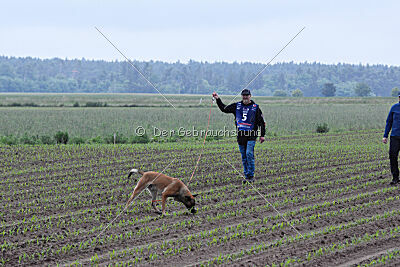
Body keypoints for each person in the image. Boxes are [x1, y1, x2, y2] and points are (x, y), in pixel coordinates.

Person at [212, 89, 266, 184]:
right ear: (242, 96)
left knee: (249, 154)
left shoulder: (255, 108)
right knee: (244, 156)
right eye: (243, 95)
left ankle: (251, 175)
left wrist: (262, 135)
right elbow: (224, 109)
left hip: (251, 135)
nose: (245, 97)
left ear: (250, 96)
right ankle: (247, 176)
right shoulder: (237, 106)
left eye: (247, 95)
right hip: (241, 136)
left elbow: (261, 122)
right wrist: (217, 99)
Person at [383, 91, 400, 185]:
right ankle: (395, 178)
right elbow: (389, 122)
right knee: (393, 157)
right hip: (395, 137)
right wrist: (385, 135)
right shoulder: (394, 108)